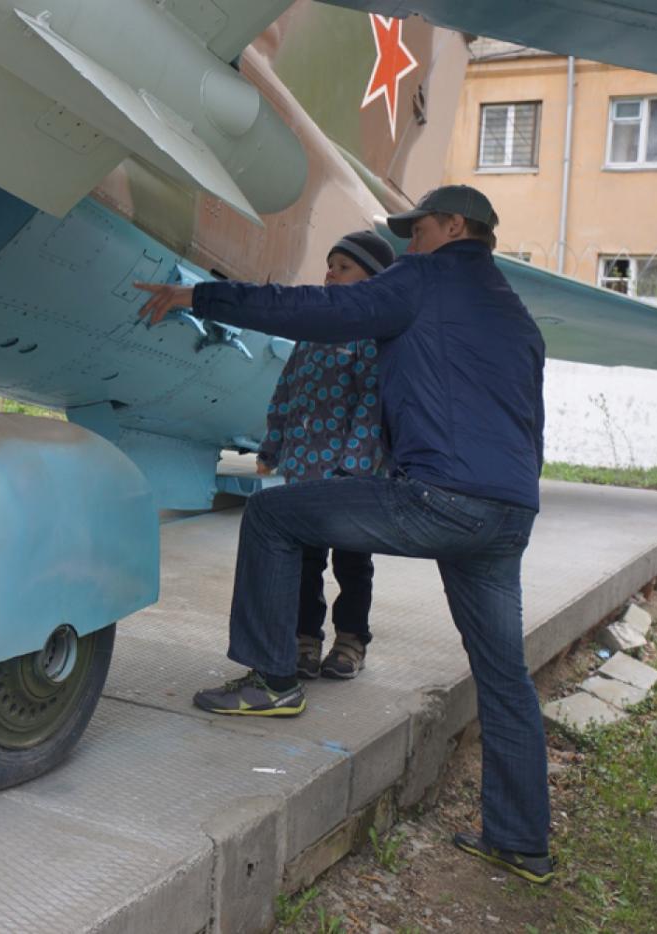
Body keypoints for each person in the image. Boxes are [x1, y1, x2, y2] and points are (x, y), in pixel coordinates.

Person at [135, 186, 553, 884]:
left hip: (439, 496)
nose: (407, 245)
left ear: (453, 226)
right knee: (504, 677)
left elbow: (318, 311)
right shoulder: (516, 314)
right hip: (507, 515)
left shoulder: (423, 278)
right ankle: (522, 842)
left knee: (273, 514)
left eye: (414, 231)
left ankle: (274, 679)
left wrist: (200, 298)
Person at [257, 230, 394, 681]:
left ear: (372, 279)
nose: (330, 273)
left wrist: (352, 468)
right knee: (305, 561)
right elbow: (285, 393)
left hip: (350, 479)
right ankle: (305, 640)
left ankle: (352, 640)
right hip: (303, 474)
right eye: (330, 265)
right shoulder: (313, 333)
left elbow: (371, 408)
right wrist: (272, 446)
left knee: (353, 561)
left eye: (344, 267)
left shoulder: (369, 337)